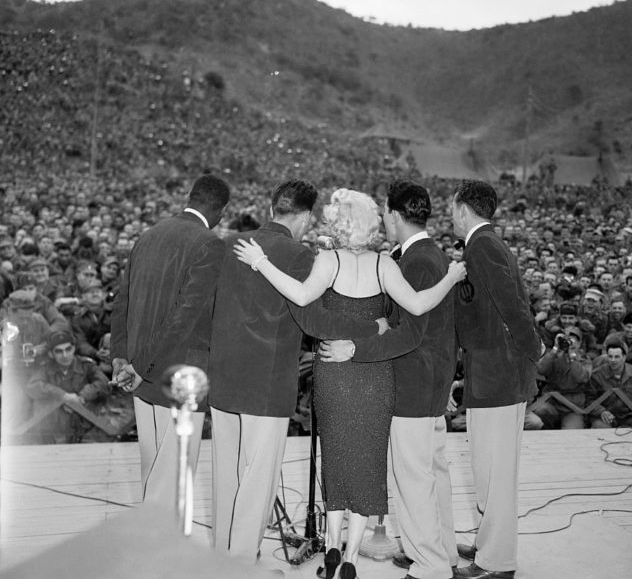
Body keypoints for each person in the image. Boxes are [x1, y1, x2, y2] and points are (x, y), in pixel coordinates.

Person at [231, 186, 465, 577]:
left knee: (336, 459)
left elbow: (302, 298)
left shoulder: (328, 260)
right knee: (369, 464)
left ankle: (333, 547)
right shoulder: (384, 265)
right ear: (372, 222)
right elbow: (421, 305)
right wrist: (452, 276)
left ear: (336, 223)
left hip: (333, 374)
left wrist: (260, 262)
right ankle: (353, 557)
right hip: (375, 376)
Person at [317, 180, 459, 579]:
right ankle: (443, 553)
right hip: (428, 383)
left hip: (410, 385)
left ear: (395, 215)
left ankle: (430, 564)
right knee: (433, 476)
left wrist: (356, 349)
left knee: (413, 482)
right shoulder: (425, 256)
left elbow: (411, 332)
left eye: (384, 214)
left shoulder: (413, 262)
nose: (382, 221)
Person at [110, 174, 231, 510]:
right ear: (221, 210)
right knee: (176, 474)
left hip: (139, 369)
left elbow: (123, 302)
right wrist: (140, 366)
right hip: (176, 373)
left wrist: (122, 359)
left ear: (189, 197)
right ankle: (166, 554)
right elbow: (185, 315)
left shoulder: (149, 235)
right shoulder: (210, 244)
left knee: (153, 470)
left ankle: (151, 547)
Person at [447, 180, 541, 579]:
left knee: (495, 473)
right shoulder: (485, 243)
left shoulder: (482, 246)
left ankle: (497, 562)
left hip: (500, 374)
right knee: (487, 469)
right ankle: (489, 543)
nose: (449, 214)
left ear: (464, 208)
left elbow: (512, 306)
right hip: (494, 373)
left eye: (452, 207)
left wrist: (531, 350)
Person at [25, 329, 110, 443]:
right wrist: (62, 395)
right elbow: (32, 387)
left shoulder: (86, 365)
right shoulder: (45, 368)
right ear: (51, 354)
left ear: (74, 349)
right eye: (59, 351)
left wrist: (82, 397)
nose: (65, 355)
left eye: (68, 349)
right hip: (56, 428)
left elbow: (104, 383)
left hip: (84, 425)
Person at [526, 326, 591, 430]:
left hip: (572, 407)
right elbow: (541, 370)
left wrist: (571, 355)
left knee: (572, 433)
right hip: (552, 402)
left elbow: (582, 378)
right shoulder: (553, 355)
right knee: (541, 410)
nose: (568, 342)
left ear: (579, 343)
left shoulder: (584, 358)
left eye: (572, 339)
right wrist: (555, 349)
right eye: (566, 338)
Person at [586, 340, 632, 429]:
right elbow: (589, 399)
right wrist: (601, 411)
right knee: (599, 428)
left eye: (617, 357)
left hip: (630, 416)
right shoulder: (596, 375)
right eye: (610, 356)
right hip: (605, 416)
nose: (613, 360)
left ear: (624, 357)